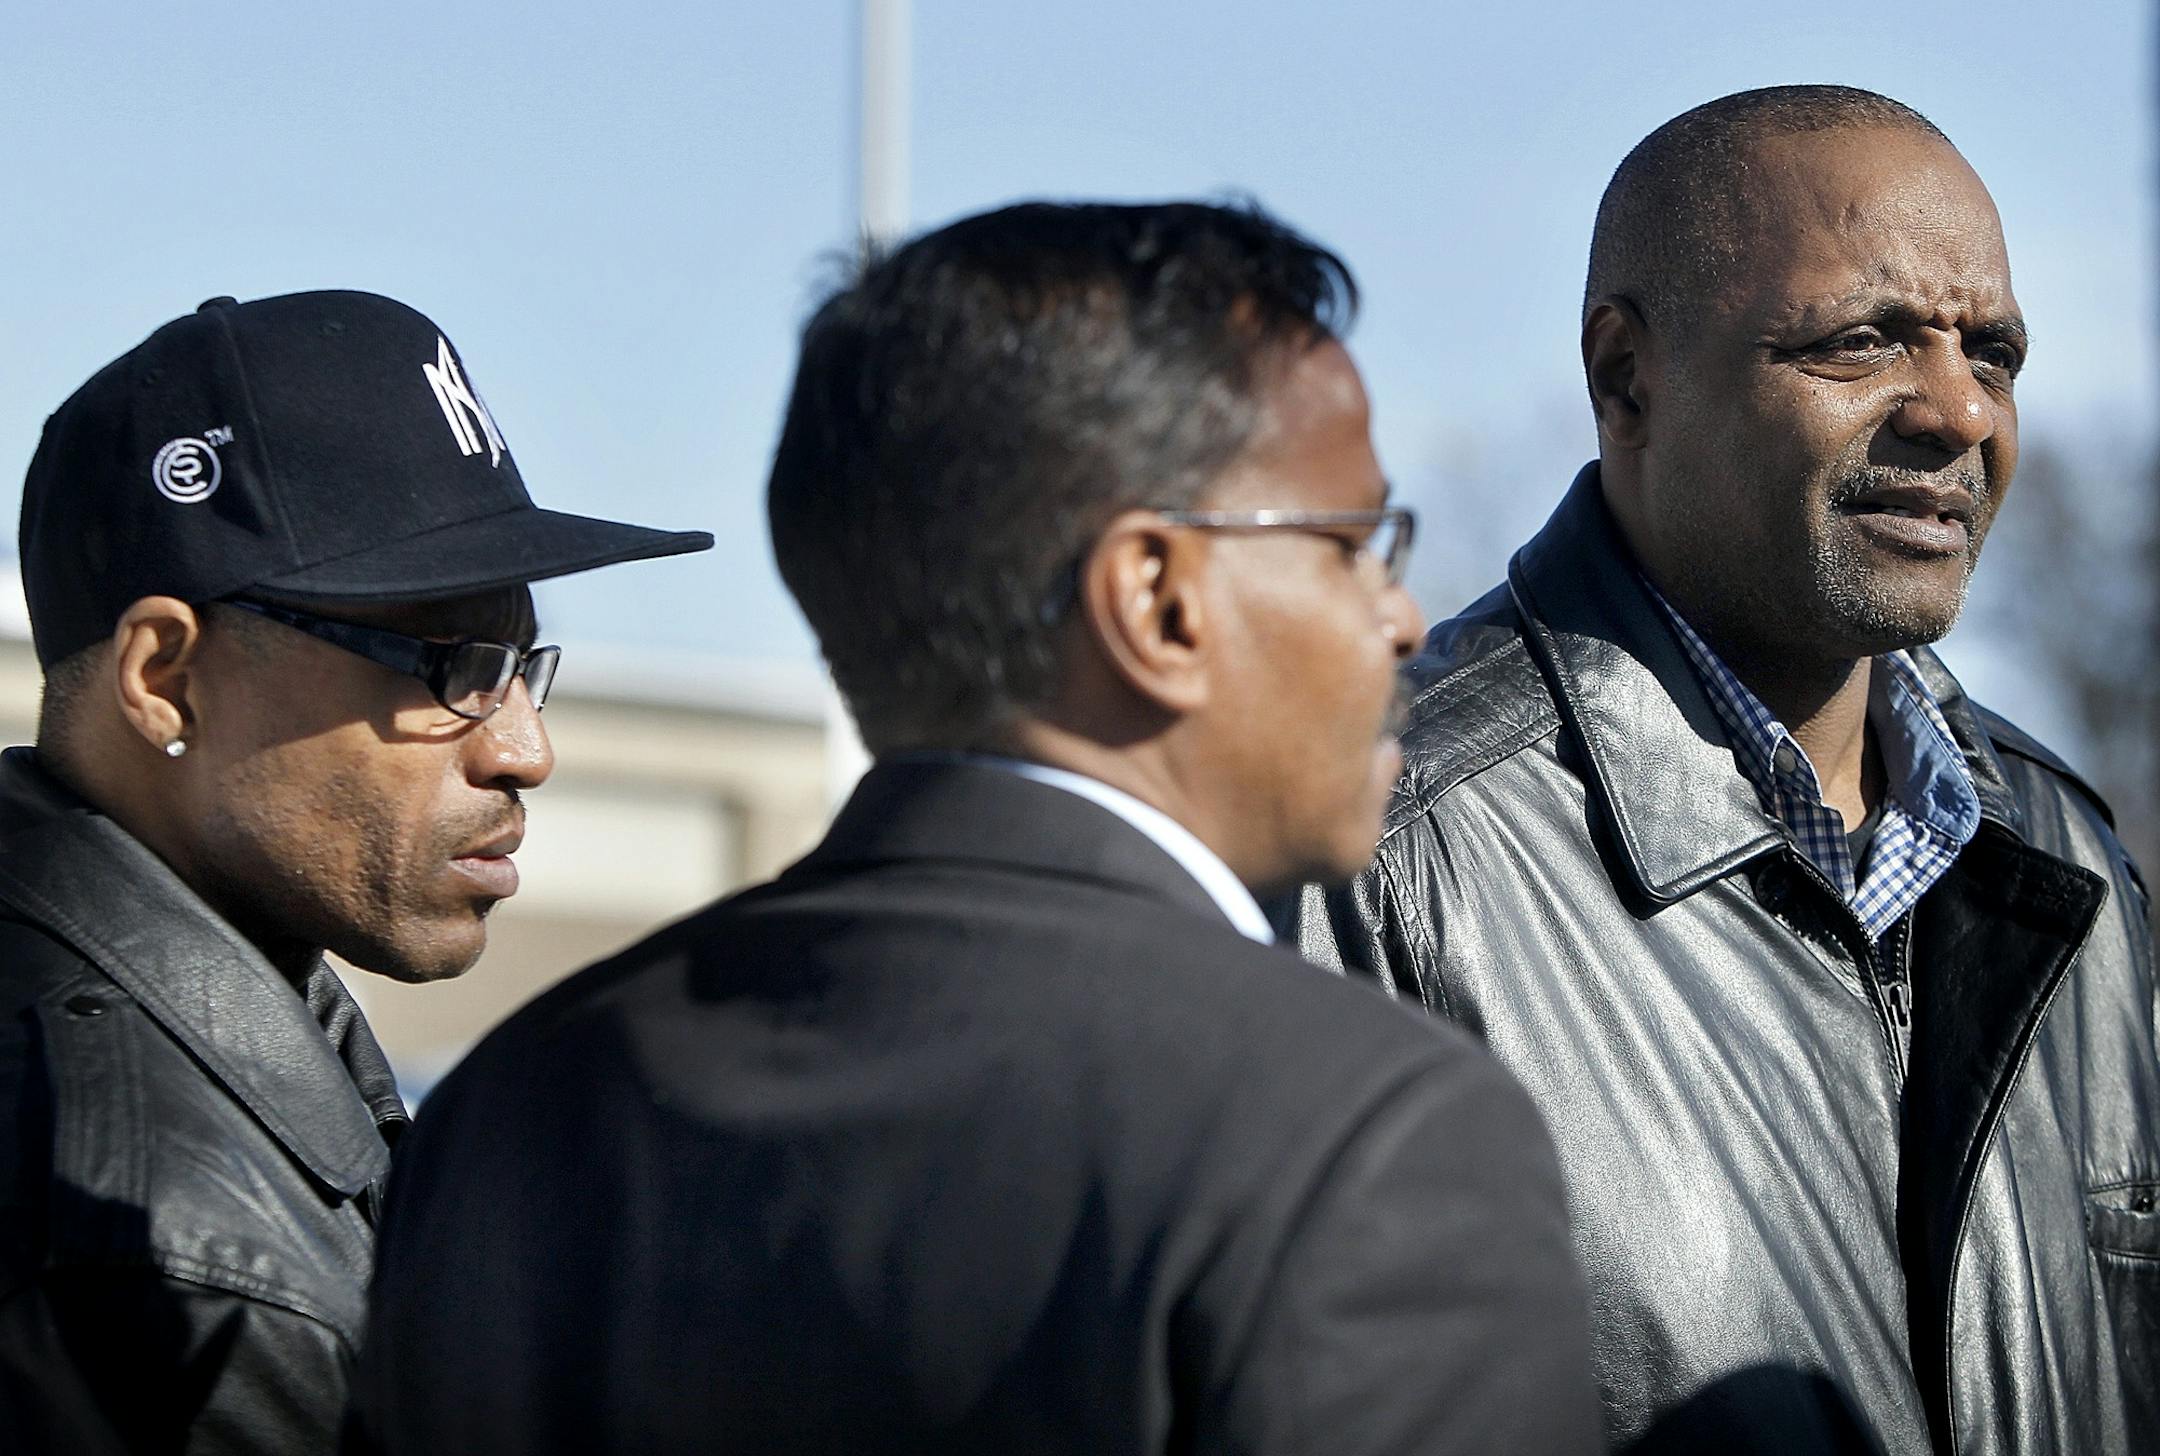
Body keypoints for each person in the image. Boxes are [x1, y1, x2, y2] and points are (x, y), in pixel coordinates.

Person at [355, 201, 1603, 1455]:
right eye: (1356, 546)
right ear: (1158, 602)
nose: (1398, 619)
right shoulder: (1371, 1141)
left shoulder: (512, 1109)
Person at [1293, 85, 2160, 1454]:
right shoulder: (1379, 848)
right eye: (1863, 341)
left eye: (1992, 352)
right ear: (1625, 376)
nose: (1956, 410)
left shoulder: (2071, 864)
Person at [0, 290, 713, 1454]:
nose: (524, 748)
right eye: (449, 664)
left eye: (525, 664)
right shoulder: (157, 1257)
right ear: (167, 678)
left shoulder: (209, 1078)